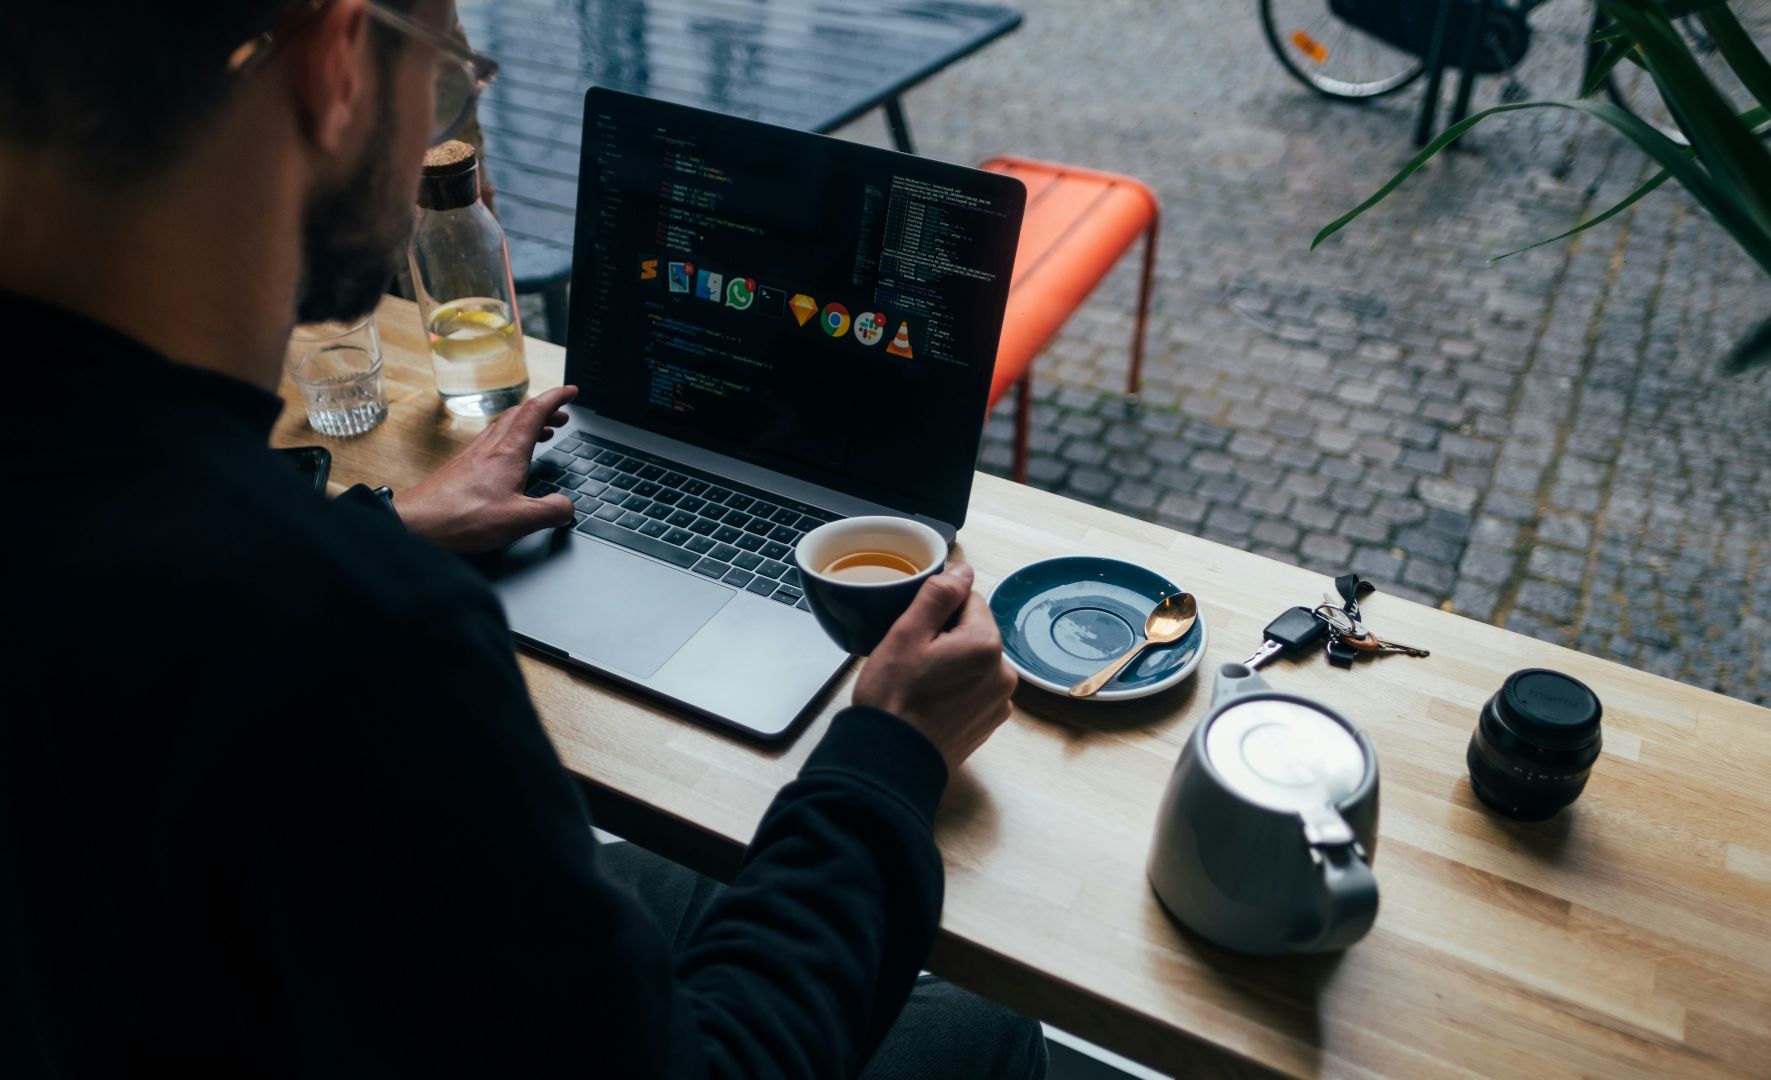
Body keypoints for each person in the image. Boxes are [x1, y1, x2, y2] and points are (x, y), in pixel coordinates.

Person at [0, 1, 1044, 1076]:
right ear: (337, 66)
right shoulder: (357, 648)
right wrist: (889, 756)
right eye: (447, 73)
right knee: (989, 1031)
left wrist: (394, 525)